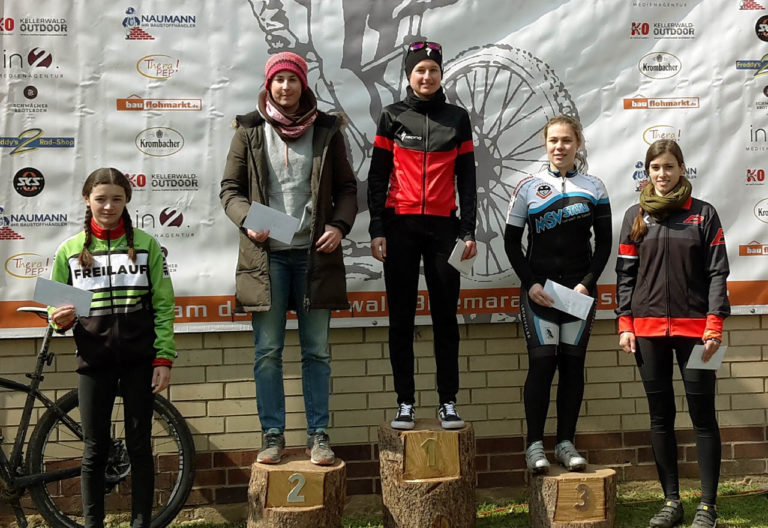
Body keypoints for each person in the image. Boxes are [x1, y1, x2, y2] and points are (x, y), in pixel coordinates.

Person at [220, 51, 357, 465]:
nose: (285, 87)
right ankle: (272, 436)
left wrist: (339, 226)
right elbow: (230, 190)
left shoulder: (327, 129)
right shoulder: (249, 130)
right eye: (278, 80)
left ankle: (318, 436)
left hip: (314, 257)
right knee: (268, 352)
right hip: (268, 260)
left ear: (303, 84)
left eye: (292, 79)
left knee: (316, 351)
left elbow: (347, 189)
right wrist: (247, 219)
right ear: (268, 85)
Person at [48, 167, 176, 528]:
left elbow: (164, 305)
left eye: (117, 199)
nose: (108, 206)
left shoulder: (147, 245)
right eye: (101, 198)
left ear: (127, 201)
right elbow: (55, 310)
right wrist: (58, 319)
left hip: (140, 361)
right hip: (94, 361)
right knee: (94, 451)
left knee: (139, 447)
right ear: (87, 199)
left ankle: (141, 524)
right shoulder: (69, 250)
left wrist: (163, 358)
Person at [616, 140, 728, 528]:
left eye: (669, 166)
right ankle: (671, 502)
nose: (662, 174)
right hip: (647, 334)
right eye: (655, 167)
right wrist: (625, 323)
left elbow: (718, 273)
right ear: (647, 172)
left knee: (703, 417)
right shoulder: (635, 216)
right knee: (660, 417)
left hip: (699, 333)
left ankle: (708, 507)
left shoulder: (703, 214)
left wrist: (715, 325)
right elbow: (625, 276)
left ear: (682, 168)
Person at [367, 40, 477, 430]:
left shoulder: (457, 118)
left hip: (444, 229)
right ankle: (405, 402)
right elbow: (377, 177)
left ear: (440, 74)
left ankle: (448, 401)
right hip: (400, 226)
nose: (426, 76)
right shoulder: (392, 116)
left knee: (446, 317)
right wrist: (377, 228)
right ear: (409, 75)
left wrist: (468, 230)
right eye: (419, 70)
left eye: (432, 70)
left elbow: (467, 180)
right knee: (401, 318)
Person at [504, 115, 612, 473]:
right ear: (545, 144)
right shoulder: (528, 187)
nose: (559, 147)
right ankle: (534, 445)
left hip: (579, 291)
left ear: (577, 144)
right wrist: (531, 283)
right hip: (540, 292)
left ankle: (566, 442)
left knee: (572, 365)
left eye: (566, 140)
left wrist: (587, 282)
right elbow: (511, 242)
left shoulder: (594, 187)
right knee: (542, 363)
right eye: (553, 140)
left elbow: (604, 244)